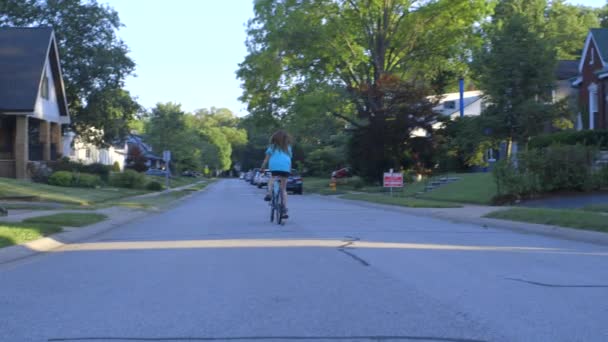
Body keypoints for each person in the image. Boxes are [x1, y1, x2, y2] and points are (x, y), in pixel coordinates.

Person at [260, 130, 292, 218]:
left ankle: (269, 193)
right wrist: (289, 170)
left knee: (272, 179)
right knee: (283, 189)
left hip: (274, 166)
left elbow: (266, 160)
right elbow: (289, 159)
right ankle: (284, 210)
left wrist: (262, 168)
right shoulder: (288, 148)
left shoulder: (272, 147)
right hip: (286, 167)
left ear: (274, 138)